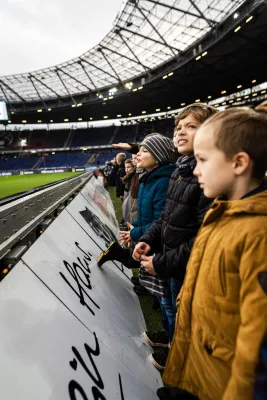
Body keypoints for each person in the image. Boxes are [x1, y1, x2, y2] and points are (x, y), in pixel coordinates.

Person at [158, 107, 267, 400]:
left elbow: (257, 344)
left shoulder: (259, 235)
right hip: (206, 369)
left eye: (203, 160)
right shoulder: (221, 212)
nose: (195, 169)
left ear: (239, 163)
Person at [132, 103, 218, 370]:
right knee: (174, 314)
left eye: (191, 126)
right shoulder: (180, 173)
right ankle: (175, 351)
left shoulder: (209, 177)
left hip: (189, 270)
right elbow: (165, 218)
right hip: (173, 266)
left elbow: (205, 238)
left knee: (188, 322)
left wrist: (162, 262)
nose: (180, 132)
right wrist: (147, 237)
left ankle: (184, 368)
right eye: (178, 127)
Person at [97, 134, 176, 271]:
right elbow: (145, 214)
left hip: (157, 243)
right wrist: (135, 228)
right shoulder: (146, 179)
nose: (138, 154)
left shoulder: (163, 183)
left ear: (158, 157)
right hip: (149, 236)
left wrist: (136, 232)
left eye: (144, 151)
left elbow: (161, 221)